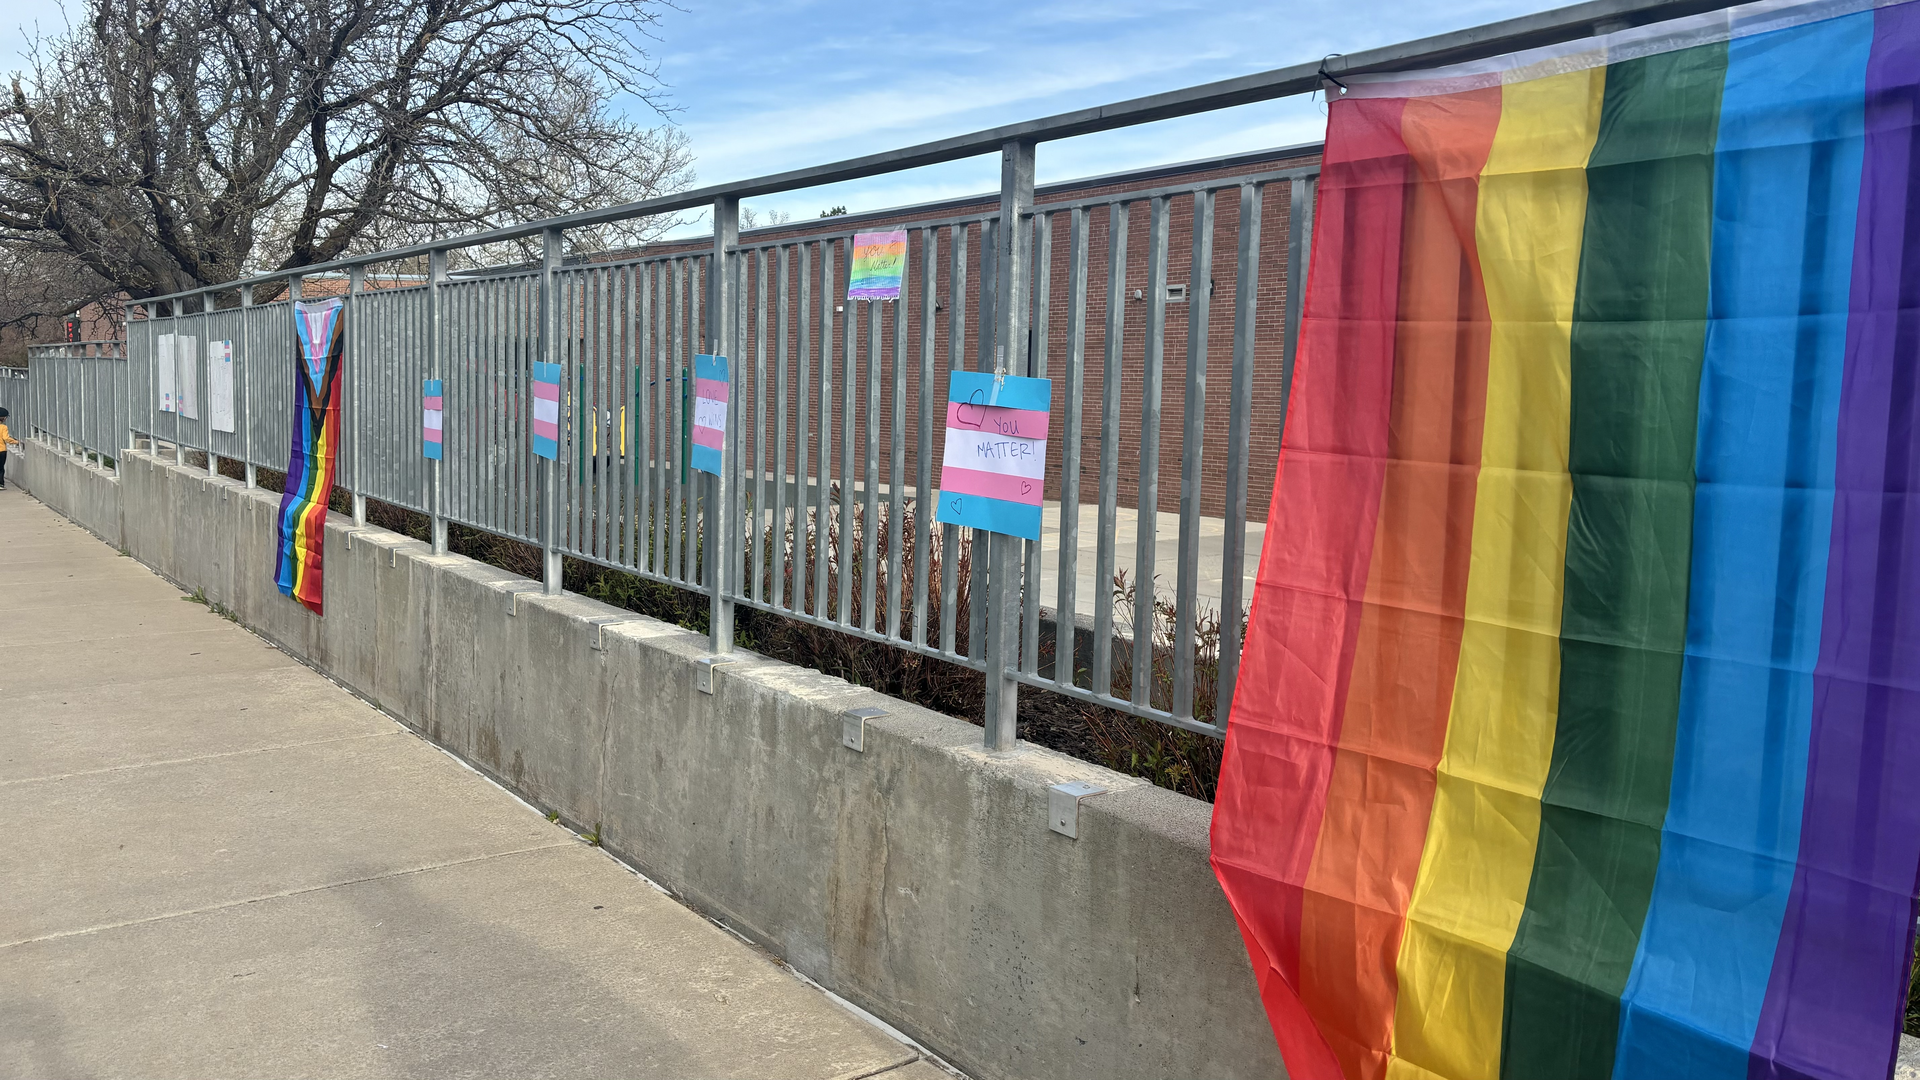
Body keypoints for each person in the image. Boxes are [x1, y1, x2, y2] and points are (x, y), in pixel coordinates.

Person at [0, 407, 17, 490]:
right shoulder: (3, 427)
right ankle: (0, 484)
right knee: (0, 468)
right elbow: (6, 438)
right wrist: (16, 442)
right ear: (3, 418)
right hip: (1, 450)